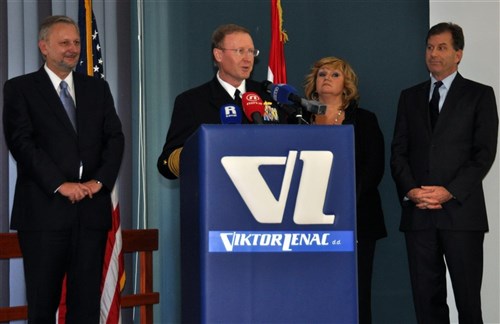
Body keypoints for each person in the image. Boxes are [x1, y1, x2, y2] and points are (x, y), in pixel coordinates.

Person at [3, 15, 124, 323]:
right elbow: (22, 143)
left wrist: (100, 182)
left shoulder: (97, 89)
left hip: (91, 211)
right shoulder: (20, 89)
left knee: (85, 306)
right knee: (43, 305)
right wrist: (60, 184)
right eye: (64, 43)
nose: (73, 49)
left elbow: (115, 139)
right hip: (44, 213)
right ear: (44, 47)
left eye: (76, 42)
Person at [390, 22, 498, 323]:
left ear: (458, 54)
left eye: (442, 47)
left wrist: (448, 191)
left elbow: (483, 154)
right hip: (419, 214)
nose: (433, 54)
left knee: (467, 301)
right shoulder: (409, 97)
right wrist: (412, 191)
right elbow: (398, 152)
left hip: (462, 215)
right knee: (427, 302)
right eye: (429, 47)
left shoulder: (480, 95)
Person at [303, 56, 387, 324]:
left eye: (335, 75)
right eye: (322, 74)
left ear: (347, 84)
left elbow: (373, 169)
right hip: (309, 220)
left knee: (356, 293)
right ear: (314, 83)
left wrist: (345, 203)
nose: (327, 78)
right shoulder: (299, 119)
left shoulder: (364, 120)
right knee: (314, 292)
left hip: (357, 218)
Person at [157, 23, 286, 179]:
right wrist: (204, 150)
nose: (248, 58)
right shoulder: (192, 101)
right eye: (240, 51)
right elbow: (166, 163)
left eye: (251, 51)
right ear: (218, 55)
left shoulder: (269, 95)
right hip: (218, 191)